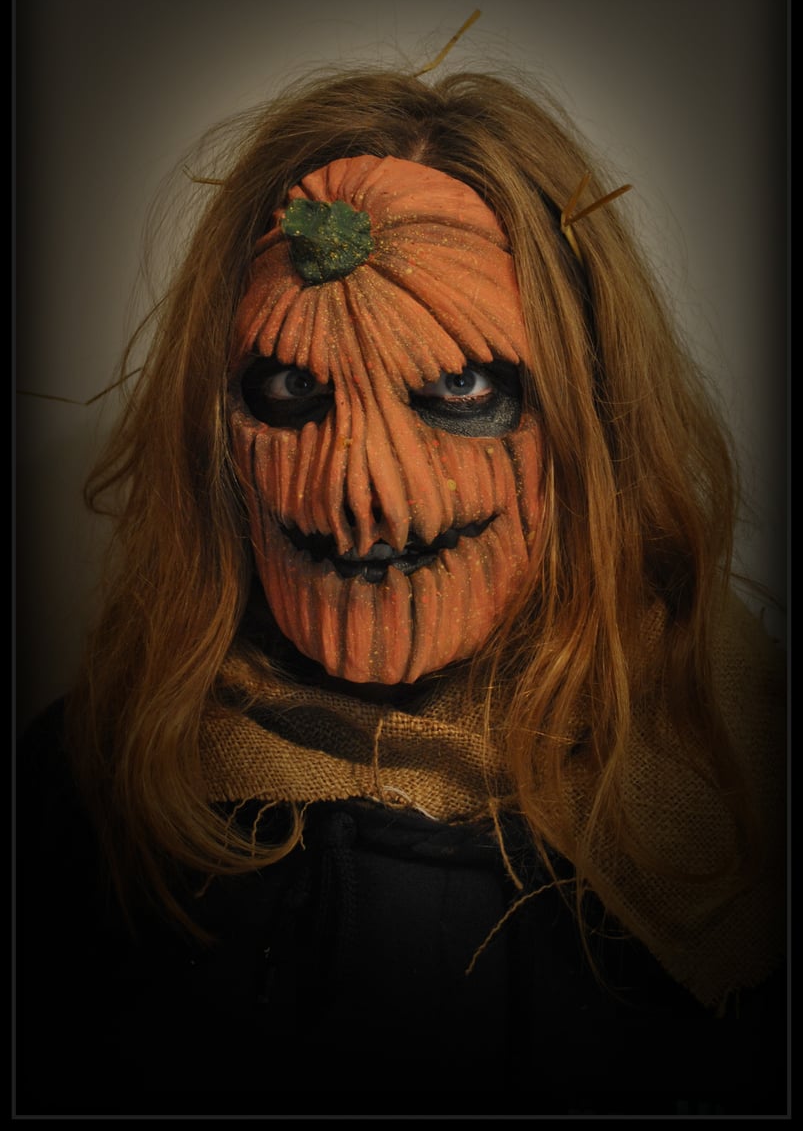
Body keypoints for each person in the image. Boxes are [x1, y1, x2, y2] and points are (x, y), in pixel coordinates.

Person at [15, 63, 787, 1118]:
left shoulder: (740, 764)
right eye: (291, 386)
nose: (364, 498)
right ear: (212, 429)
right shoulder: (92, 785)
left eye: (462, 386)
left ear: (595, 411)